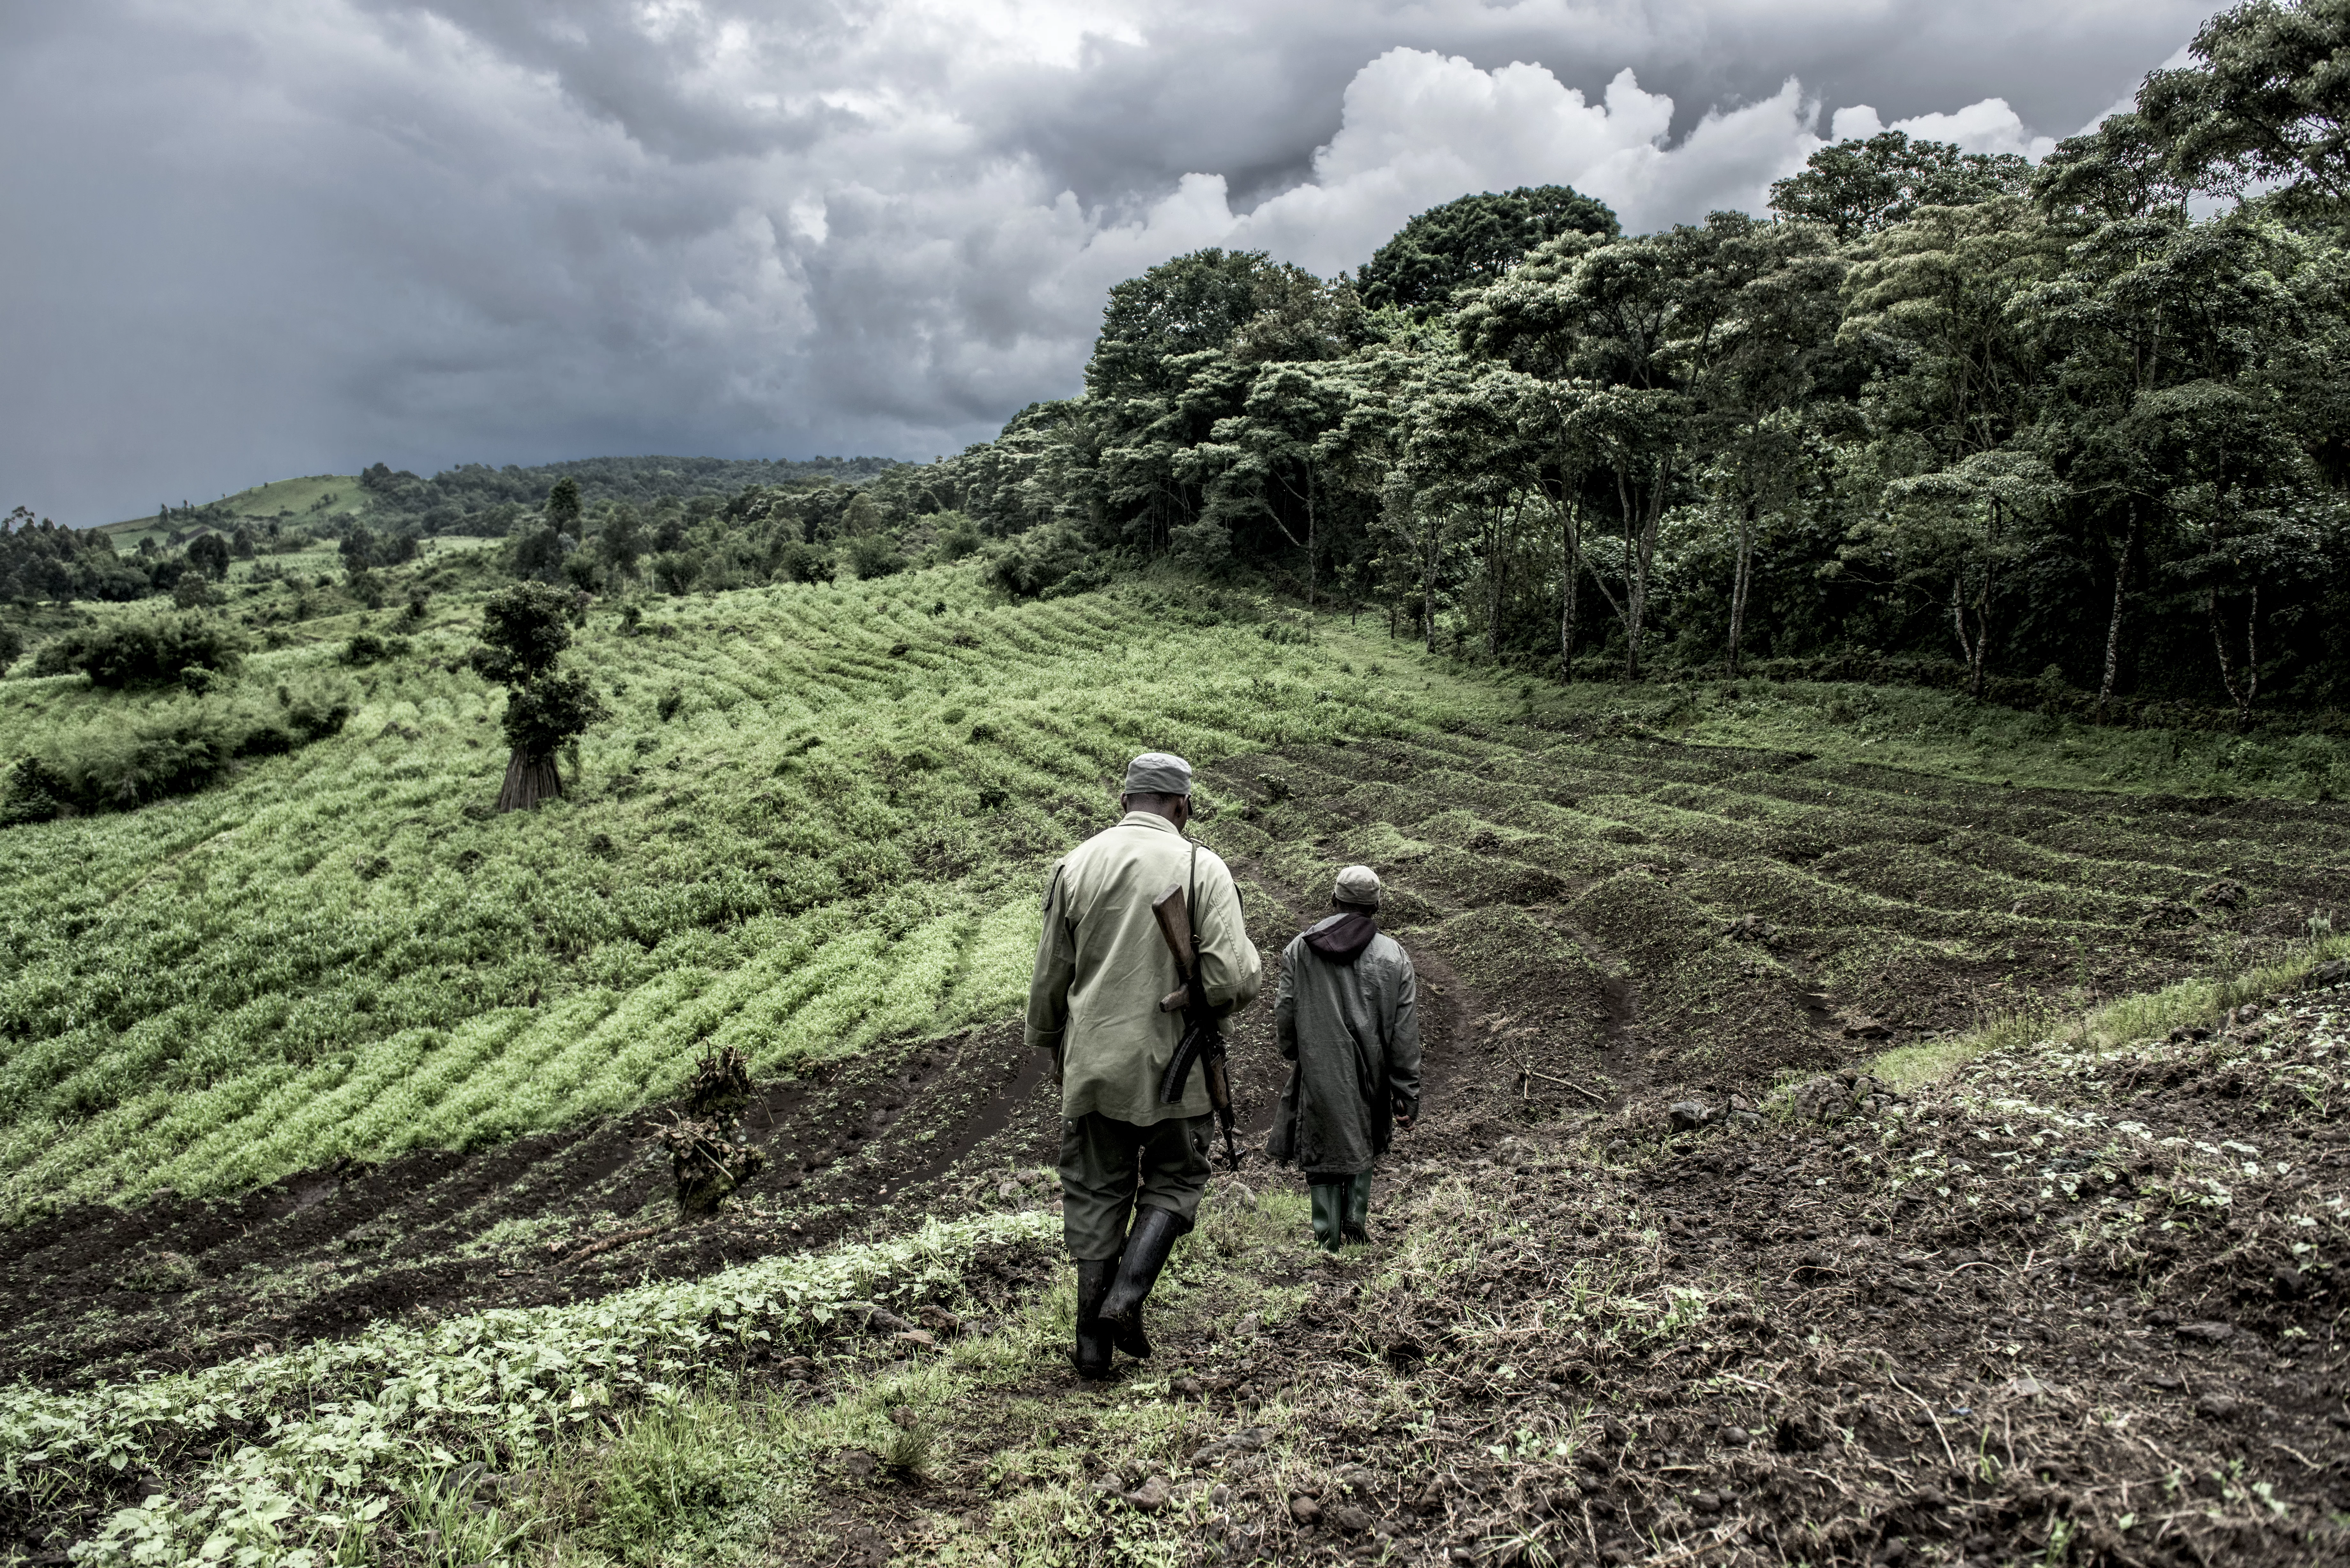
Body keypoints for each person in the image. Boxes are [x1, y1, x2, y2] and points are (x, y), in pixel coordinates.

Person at [1026, 751, 1262, 1380]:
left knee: (1096, 1192)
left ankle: (1090, 1347)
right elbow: (1228, 977)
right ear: (1181, 806)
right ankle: (1126, 1299)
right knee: (1176, 1178)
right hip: (1177, 1071)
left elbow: (1050, 977)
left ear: (1123, 799)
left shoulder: (1074, 864)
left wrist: (1055, 1047)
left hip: (1094, 1063)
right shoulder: (1202, 866)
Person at [1268, 865, 1421, 1252]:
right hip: (1373, 1069)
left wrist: (1297, 1050)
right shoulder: (1394, 956)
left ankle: (1327, 1238)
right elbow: (1404, 1033)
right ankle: (1356, 1220)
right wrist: (1406, 1091)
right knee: (1362, 1134)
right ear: (1376, 907)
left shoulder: (1300, 949)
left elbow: (1286, 1010)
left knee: (1321, 1142)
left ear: (1334, 900)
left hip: (1320, 1065)